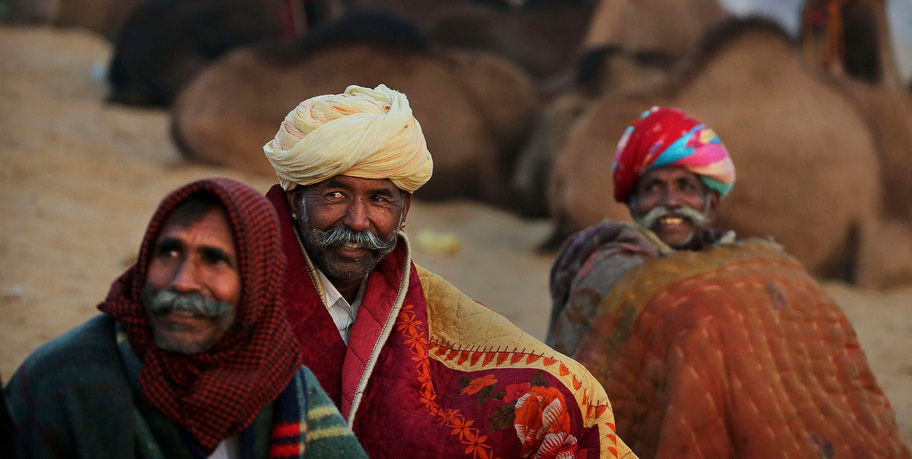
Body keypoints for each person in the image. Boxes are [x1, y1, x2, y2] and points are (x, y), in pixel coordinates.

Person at [262, 84, 633, 458]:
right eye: (335, 195)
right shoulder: (245, 288)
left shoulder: (415, 292)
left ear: (403, 210)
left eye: (379, 199)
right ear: (295, 201)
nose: (358, 221)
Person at [546, 106, 912, 459]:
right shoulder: (607, 259)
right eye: (653, 188)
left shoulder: (738, 258)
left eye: (686, 186)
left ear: (711, 201)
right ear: (635, 204)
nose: (670, 201)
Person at [4, 177, 367, 459]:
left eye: (213, 260)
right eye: (169, 252)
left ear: (256, 283)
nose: (182, 282)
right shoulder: (62, 382)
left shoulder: (280, 378)